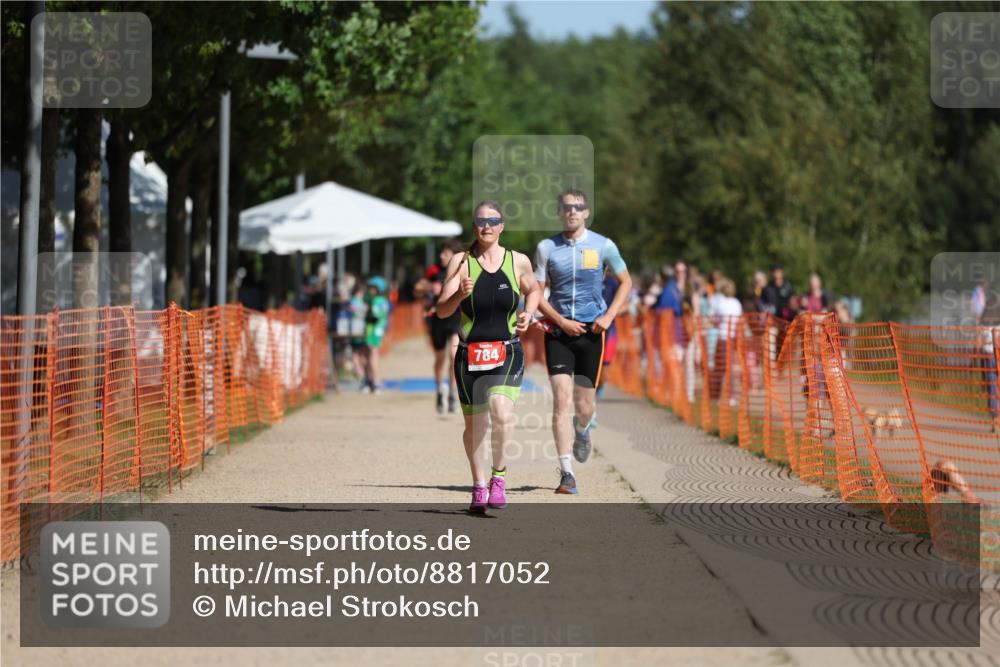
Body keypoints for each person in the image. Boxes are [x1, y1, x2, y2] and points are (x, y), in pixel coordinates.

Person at [436, 201, 540, 513]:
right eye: (481, 221)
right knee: (475, 426)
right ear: (474, 227)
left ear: (502, 226)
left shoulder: (518, 261)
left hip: (507, 350)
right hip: (469, 354)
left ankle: (499, 478)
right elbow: (442, 311)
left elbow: (534, 290)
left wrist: (528, 313)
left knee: (501, 411)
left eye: (493, 221)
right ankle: (479, 485)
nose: (487, 226)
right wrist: (459, 294)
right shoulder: (460, 262)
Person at [535, 188, 632, 495]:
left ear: (587, 212)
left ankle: (583, 428)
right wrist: (559, 320)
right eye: (567, 207)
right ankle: (567, 474)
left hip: (592, 333)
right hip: (559, 332)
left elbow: (626, 282)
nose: (572, 212)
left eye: (578, 207)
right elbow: (536, 292)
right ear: (559, 212)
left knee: (584, 405)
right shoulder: (546, 248)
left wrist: (609, 316)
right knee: (561, 400)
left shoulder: (604, 245)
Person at [415, 239, 466, 413]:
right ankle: (439, 390)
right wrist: (430, 287)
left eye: (446, 253)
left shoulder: (461, 268)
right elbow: (417, 289)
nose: (441, 256)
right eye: (441, 253)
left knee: (454, 356)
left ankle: (452, 394)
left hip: (456, 317)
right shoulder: (434, 270)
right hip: (437, 319)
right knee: (440, 358)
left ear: (454, 255)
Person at [361, 276, 390, 394]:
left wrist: (366, 311)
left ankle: (375, 381)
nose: (371, 290)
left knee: (373, 355)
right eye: (370, 287)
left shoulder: (378, 301)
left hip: (374, 330)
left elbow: (375, 316)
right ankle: (370, 380)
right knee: (368, 355)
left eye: (373, 288)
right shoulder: (381, 300)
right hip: (375, 330)